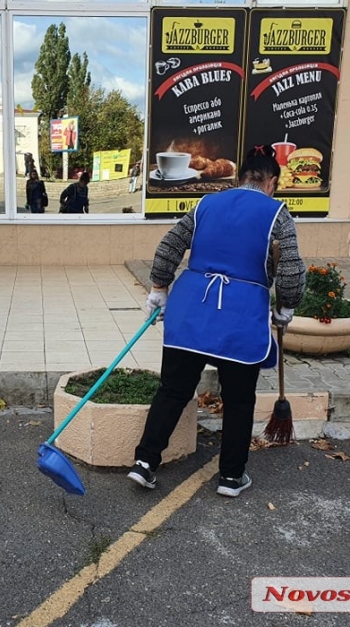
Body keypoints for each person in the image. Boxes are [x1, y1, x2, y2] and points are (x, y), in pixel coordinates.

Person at [128, 144, 306, 498]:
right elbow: (290, 269)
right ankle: (231, 476)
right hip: (240, 318)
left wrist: (159, 288)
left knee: (173, 390)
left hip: (191, 308)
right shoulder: (277, 214)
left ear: (241, 178)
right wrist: (286, 307)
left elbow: (169, 247)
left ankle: (145, 463)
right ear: (271, 182)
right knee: (239, 400)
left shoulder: (206, 203)